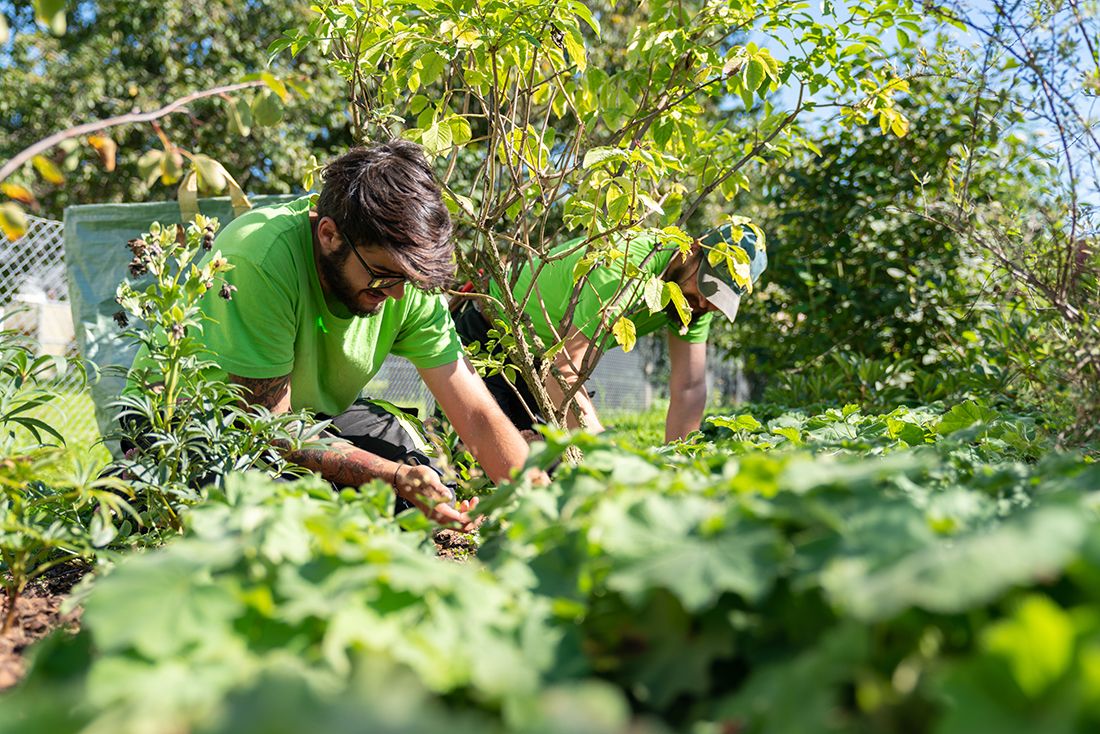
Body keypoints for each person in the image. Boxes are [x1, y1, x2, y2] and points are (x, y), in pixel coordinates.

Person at [160, 141, 534, 531]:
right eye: (383, 273)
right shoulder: (259, 258)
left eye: (408, 279)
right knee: (284, 516)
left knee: (426, 491)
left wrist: (533, 500)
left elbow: (474, 412)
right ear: (329, 235)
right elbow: (270, 428)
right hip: (204, 423)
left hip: (314, 415)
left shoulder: (403, 278)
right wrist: (390, 476)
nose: (397, 294)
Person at [453, 226, 767, 443]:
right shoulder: (625, 265)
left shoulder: (694, 304)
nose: (701, 304)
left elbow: (689, 385)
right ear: (692, 250)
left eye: (715, 301)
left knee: (547, 467)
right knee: (482, 459)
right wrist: (603, 454)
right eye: (704, 288)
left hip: (546, 359)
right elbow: (564, 372)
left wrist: (678, 464)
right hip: (491, 335)